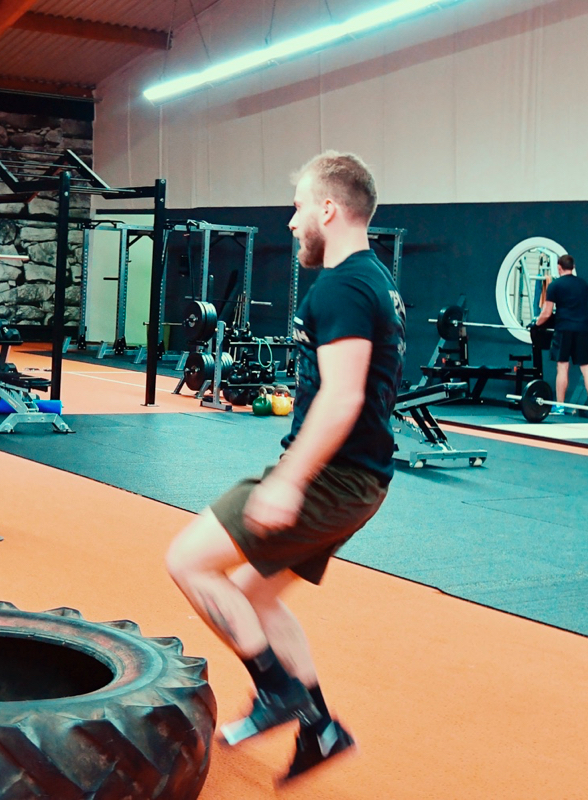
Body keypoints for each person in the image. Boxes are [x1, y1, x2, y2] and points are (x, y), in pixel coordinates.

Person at [164, 151, 403, 782]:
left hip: (334, 477)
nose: (291, 221)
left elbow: (343, 395)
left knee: (187, 561)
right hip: (363, 479)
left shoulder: (346, 285)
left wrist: (289, 481)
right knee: (255, 593)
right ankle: (321, 728)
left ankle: (277, 690)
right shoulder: (376, 279)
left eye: (298, 206)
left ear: (329, 208)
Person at [535, 254, 588, 418]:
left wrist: (535, 325)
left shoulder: (555, 286)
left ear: (559, 267)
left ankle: (560, 407)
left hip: (564, 329)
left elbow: (547, 313)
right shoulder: (583, 285)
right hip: (582, 329)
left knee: (563, 367)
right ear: (573, 266)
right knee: (587, 369)